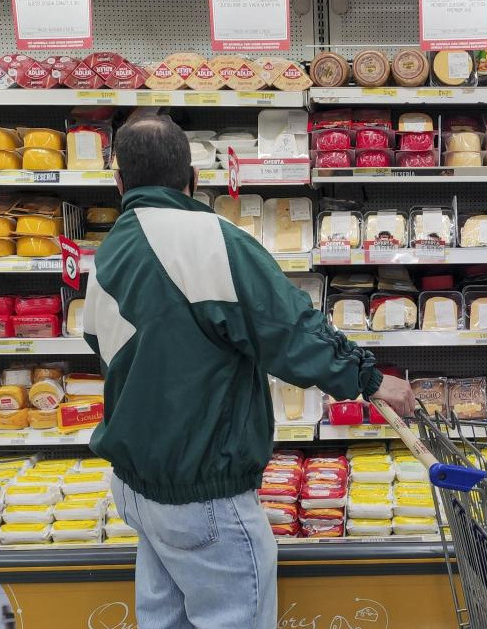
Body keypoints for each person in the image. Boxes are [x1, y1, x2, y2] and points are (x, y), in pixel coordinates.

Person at [82, 116, 416, 629]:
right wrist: (371, 380)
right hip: (202, 489)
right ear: (193, 177)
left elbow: (99, 345)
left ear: (118, 182)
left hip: (139, 485)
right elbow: (288, 328)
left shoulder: (109, 254)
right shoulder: (208, 238)